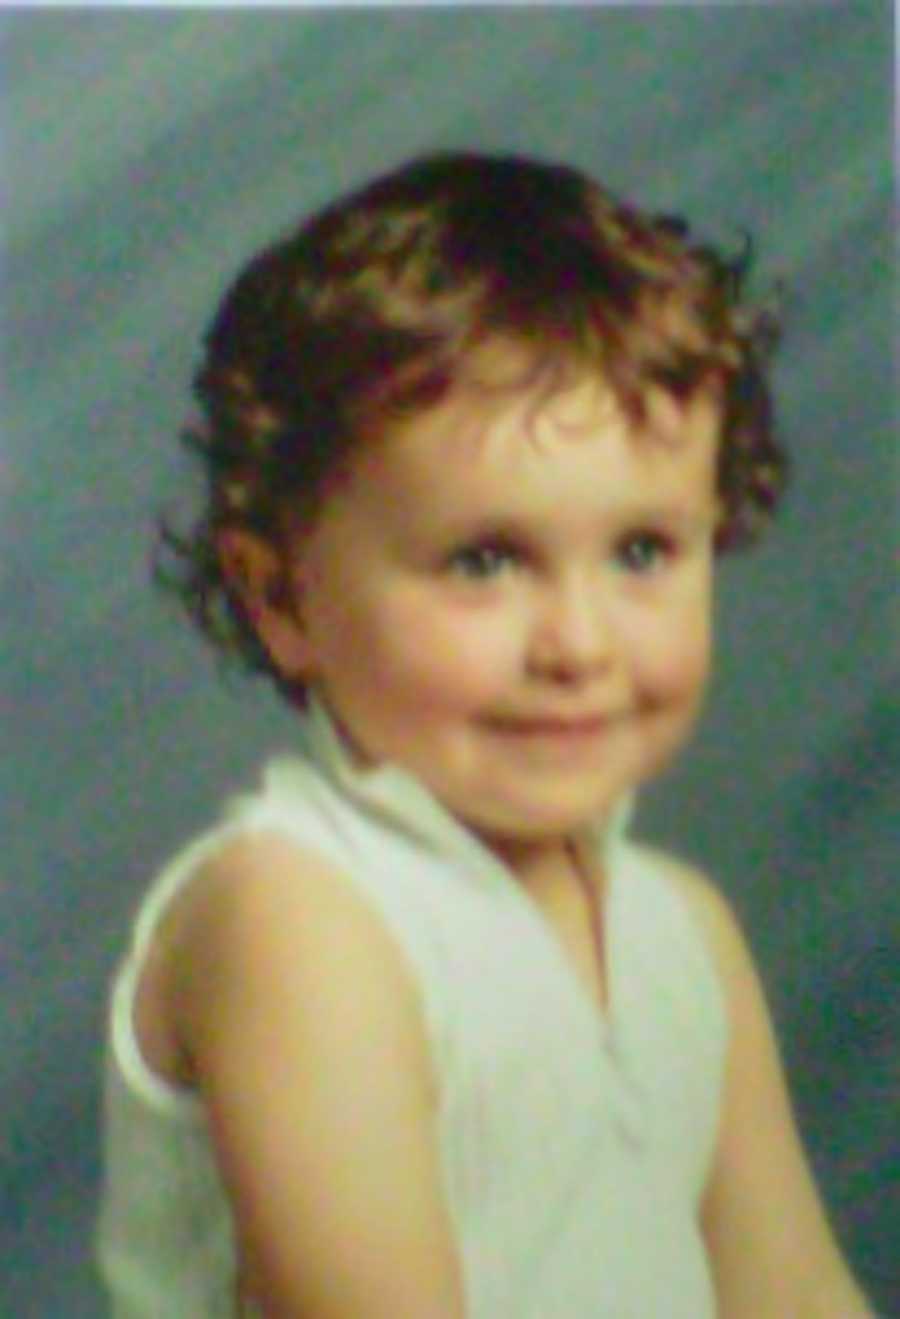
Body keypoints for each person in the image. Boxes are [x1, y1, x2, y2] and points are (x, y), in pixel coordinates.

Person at [96, 151, 870, 1318]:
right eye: (486, 559)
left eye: (644, 551)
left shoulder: (681, 934)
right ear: (282, 598)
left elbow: (797, 1296)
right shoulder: (299, 915)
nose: (578, 641)